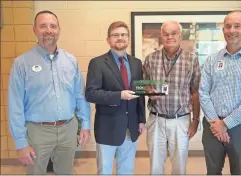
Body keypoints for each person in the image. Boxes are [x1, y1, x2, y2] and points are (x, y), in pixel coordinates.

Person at [8, 10, 91, 175]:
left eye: (53, 26)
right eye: (43, 26)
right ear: (35, 30)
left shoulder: (71, 61)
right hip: (37, 132)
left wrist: (85, 125)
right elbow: (15, 105)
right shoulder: (21, 63)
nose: (48, 30)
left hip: (68, 129)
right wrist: (20, 143)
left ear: (59, 30)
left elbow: (80, 96)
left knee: (66, 172)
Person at [199, 11, 241, 175]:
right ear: (223, 30)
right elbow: (203, 92)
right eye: (228, 26)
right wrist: (217, 124)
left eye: (237, 26)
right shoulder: (212, 60)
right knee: (212, 172)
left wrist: (225, 124)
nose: (232, 30)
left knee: (240, 172)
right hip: (212, 125)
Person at [85, 21, 146, 175]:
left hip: (130, 127)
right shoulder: (97, 63)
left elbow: (139, 94)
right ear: (108, 39)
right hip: (107, 127)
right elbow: (91, 93)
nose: (120, 38)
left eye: (123, 34)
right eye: (115, 35)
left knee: (126, 171)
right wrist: (119, 95)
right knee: (104, 171)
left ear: (128, 38)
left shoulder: (137, 63)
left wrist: (141, 119)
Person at [143, 20, 201, 174]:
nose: (170, 37)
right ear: (162, 36)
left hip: (180, 120)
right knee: (155, 165)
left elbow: (195, 92)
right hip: (156, 119)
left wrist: (195, 121)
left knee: (179, 166)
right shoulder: (151, 59)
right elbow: (143, 85)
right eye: (166, 34)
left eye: (174, 33)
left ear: (180, 35)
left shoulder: (192, 59)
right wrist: (148, 89)